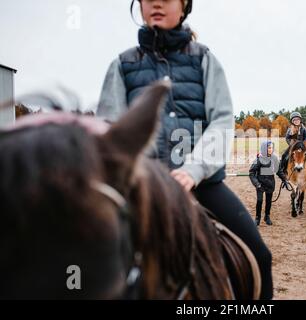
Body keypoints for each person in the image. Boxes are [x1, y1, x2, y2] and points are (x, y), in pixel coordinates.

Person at [96, 0, 273, 299]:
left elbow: (221, 120)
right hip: (140, 189)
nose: (156, 3)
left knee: (260, 256)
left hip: (203, 184)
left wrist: (193, 170)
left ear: (184, 6)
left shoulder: (205, 59)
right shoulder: (121, 65)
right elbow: (110, 131)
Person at [249, 141, 288, 226]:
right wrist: (257, 184)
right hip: (260, 184)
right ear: (264, 149)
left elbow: (278, 171)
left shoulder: (274, 158)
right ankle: (257, 217)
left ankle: (267, 216)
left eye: (271, 148)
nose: (271, 149)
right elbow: (251, 173)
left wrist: (284, 179)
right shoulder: (258, 159)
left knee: (268, 201)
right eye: (269, 148)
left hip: (270, 183)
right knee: (259, 201)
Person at [280, 112, 306, 177]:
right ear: (292, 121)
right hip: (293, 146)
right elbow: (287, 138)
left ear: (300, 120)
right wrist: (291, 144)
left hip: (303, 146)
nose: (296, 121)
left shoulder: (303, 128)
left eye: (297, 119)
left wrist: (304, 144)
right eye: (294, 120)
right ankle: (282, 170)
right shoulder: (290, 129)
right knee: (284, 155)